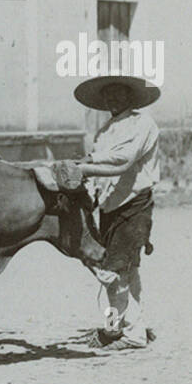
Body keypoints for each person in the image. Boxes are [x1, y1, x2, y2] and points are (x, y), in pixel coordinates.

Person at [73, 76, 160, 350]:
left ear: (131, 97)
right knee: (127, 273)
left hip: (133, 206)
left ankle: (125, 334)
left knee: (113, 273)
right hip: (109, 208)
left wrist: (87, 163)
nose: (112, 100)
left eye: (118, 94)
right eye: (108, 95)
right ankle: (132, 327)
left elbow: (123, 159)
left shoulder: (142, 124)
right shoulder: (105, 131)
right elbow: (99, 173)